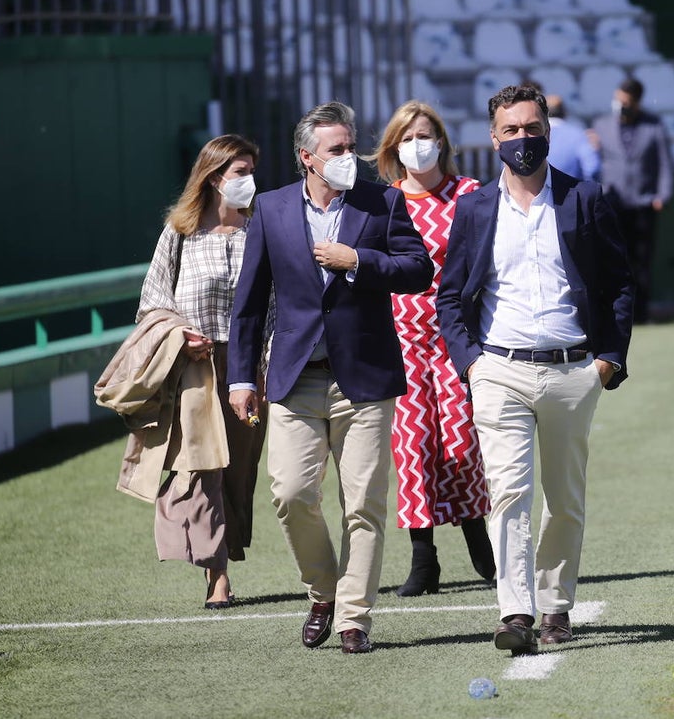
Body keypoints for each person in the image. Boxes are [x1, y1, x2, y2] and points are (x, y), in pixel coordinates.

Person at [226, 101, 434, 653]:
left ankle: (353, 619)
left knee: (363, 502)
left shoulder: (382, 201)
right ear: (307, 158)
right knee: (291, 493)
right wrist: (240, 378)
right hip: (295, 378)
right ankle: (324, 590)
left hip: (363, 378)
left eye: (349, 147)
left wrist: (359, 260)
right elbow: (247, 305)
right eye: (336, 150)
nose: (348, 157)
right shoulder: (270, 210)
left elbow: (418, 269)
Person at [437, 85, 634, 655]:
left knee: (565, 498)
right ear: (493, 138)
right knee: (509, 494)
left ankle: (555, 606)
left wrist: (609, 357)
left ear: (548, 129)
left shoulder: (585, 198)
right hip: (498, 369)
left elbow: (619, 282)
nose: (522, 139)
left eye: (531, 128)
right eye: (511, 130)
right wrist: (470, 363)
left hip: (574, 370)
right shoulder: (474, 208)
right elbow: (451, 298)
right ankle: (515, 611)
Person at [99, 134, 265, 610]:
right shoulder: (181, 230)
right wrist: (182, 334)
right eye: (240, 172)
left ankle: (226, 548)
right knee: (204, 466)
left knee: (239, 467)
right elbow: (152, 300)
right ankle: (217, 576)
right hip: (195, 366)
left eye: (252, 170)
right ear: (214, 178)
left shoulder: (263, 229)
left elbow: (275, 301)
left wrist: (264, 367)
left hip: (250, 365)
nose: (249, 181)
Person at [371, 101, 496, 597]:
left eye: (424, 136)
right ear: (393, 148)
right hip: (402, 341)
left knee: (463, 445)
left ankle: (480, 542)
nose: (416, 146)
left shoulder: (470, 196)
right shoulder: (383, 203)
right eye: (406, 138)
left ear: (441, 141)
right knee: (414, 449)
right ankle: (424, 560)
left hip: (458, 339)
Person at [590, 78, 674, 324]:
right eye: (618, 100)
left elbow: (665, 163)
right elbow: (594, 162)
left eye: (625, 102)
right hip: (611, 202)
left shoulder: (653, 126)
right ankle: (618, 314)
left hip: (643, 203)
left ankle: (642, 313)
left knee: (642, 260)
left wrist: (662, 195)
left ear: (637, 102)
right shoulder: (601, 125)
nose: (620, 106)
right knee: (615, 260)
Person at [545, 94, 600, 181]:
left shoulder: (534, 135)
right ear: (565, 112)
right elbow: (592, 168)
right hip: (571, 191)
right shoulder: (578, 135)